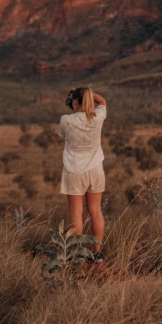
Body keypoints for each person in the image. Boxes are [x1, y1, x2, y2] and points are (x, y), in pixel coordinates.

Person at [58, 86, 107, 260]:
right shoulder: (98, 117)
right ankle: (97, 254)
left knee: (76, 213)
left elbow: (62, 135)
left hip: (73, 170)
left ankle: (76, 254)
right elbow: (102, 102)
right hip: (95, 169)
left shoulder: (66, 120)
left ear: (75, 102)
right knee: (95, 211)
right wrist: (89, 94)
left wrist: (77, 96)